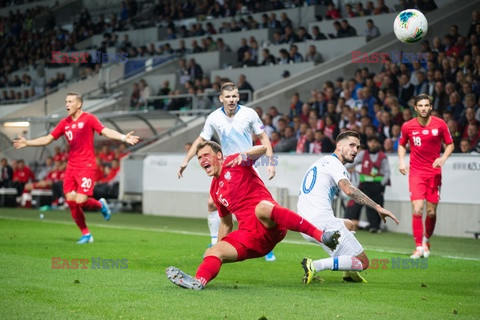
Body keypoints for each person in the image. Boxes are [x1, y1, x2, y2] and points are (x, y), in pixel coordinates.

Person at [166, 141, 341, 290]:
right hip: (251, 237)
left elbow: (263, 149)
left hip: (271, 224)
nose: (202, 160)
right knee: (212, 251)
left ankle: (322, 236)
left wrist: (245, 154)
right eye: (199, 158)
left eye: (206, 155)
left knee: (261, 208)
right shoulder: (215, 189)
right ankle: (198, 282)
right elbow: (226, 224)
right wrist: (218, 252)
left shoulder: (235, 161)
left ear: (219, 156)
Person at [13, 92, 139, 244]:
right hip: (71, 167)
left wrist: (123, 137)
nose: (67, 105)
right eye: (66, 102)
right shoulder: (64, 123)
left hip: (86, 166)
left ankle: (100, 205)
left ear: (78, 104)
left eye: (70, 102)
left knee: (80, 201)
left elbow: (105, 131)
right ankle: (86, 234)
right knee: (71, 201)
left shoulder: (89, 119)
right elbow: (47, 139)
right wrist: (27, 142)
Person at [177, 82, 277, 261]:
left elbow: (263, 138)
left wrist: (271, 162)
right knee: (212, 203)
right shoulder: (214, 118)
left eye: (234, 96)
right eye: (228, 97)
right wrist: (186, 160)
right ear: (221, 98)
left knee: (256, 209)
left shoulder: (249, 114)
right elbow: (201, 140)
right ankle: (215, 241)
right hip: (226, 167)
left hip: (246, 167)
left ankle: (267, 245)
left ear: (238, 97)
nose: (232, 100)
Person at [298, 131, 399, 284]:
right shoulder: (335, 164)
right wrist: (377, 207)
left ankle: (349, 273)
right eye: (351, 145)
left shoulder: (322, 161)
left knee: (350, 224)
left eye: (357, 147)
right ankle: (315, 265)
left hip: (305, 225)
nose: (355, 150)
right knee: (363, 263)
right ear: (339, 146)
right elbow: (349, 190)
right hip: (322, 224)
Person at [398, 94, 454, 259]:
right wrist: (402, 161)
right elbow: (402, 145)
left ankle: (426, 239)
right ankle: (418, 247)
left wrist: (443, 158)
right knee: (417, 208)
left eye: (426, 105)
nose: (423, 108)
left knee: (430, 212)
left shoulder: (440, 124)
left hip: (434, 173)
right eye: (420, 105)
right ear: (415, 108)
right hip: (416, 173)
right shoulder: (408, 126)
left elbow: (450, 144)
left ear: (430, 107)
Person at [345, 135, 391, 233]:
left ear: (378, 143)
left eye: (374, 142)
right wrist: (342, 165)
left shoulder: (382, 156)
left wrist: (382, 184)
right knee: (364, 204)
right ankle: (354, 223)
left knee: (377, 206)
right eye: (370, 142)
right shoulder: (363, 154)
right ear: (368, 143)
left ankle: (375, 226)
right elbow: (354, 162)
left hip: (377, 185)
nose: (372, 144)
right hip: (365, 184)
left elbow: (387, 172)